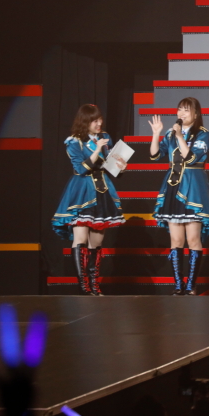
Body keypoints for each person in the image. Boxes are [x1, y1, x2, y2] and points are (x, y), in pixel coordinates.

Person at [52, 104, 127, 295]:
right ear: (85, 121)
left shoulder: (105, 137)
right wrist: (97, 150)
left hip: (102, 191)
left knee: (97, 242)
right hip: (82, 191)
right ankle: (83, 286)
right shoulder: (74, 141)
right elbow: (80, 169)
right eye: (94, 121)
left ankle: (94, 284)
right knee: (80, 239)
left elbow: (112, 169)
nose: (99, 123)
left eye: (100, 119)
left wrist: (120, 166)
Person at [149, 98, 209, 296]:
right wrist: (156, 134)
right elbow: (155, 155)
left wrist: (180, 136)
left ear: (196, 114)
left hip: (194, 188)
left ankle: (191, 285)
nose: (181, 113)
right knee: (176, 239)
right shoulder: (170, 133)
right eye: (180, 109)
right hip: (173, 187)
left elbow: (191, 158)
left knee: (193, 238)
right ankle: (178, 285)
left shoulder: (203, 134)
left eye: (186, 110)